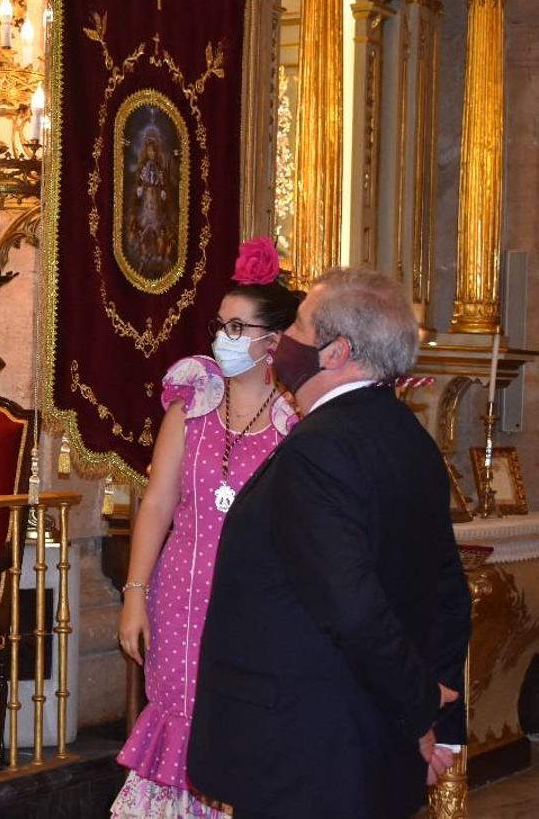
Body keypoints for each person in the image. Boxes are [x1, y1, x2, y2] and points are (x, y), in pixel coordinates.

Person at [188, 267, 471, 819]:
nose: (283, 341)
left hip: (306, 752)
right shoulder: (410, 439)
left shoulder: (319, 448)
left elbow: (352, 606)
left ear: (337, 352)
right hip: (362, 745)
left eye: (297, 324)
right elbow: (448, 595)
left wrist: (421, 714)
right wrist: (439, 724)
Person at [112, 237, 302, 818]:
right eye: (221, 325)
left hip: (252, 609)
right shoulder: (190, 402)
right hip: (177, 599)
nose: (225, 337)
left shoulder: (294, 421)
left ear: (273, 341)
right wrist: (134, 597)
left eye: (239, 328)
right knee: (177, 715)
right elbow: (157, 505)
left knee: (237, 722)